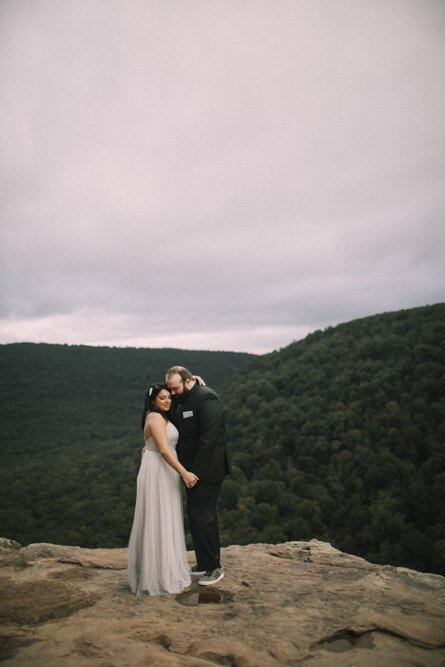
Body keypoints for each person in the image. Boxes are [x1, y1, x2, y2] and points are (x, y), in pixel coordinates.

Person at [127, 383, 198, 596]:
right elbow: (165, 450)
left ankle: (165, 569)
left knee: (166, 517)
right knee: (158, 518)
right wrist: (184, 472)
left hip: (162, 469)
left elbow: (148, 448)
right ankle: (156, 576)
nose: (167, 401)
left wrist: (193, 379)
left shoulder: (161, 416)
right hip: (160, 467)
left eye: (169, 397)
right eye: (162, 398)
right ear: (153, 401)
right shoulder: (155, 417)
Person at [166, 366, 231, 586]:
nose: (173, 393)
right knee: (195, 514)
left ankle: (214, 568)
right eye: (170, 390)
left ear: (186, 381)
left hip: (207, 470)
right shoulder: (183, 395)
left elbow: (209, 439)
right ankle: (203, 564)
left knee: (203, 515)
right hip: (191, 471)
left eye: (175, 389)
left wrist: (194, 473)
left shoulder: (206, 398)